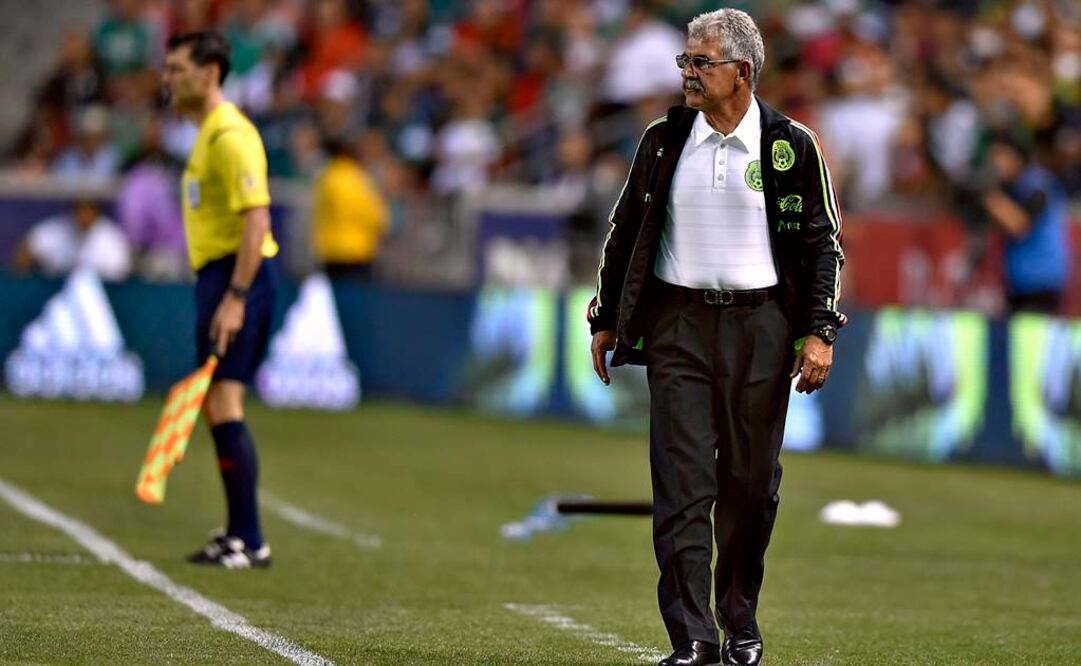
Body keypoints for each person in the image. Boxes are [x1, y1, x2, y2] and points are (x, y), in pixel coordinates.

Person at [587, 9, 845, 666]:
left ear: (742, 71)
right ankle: (693, 637)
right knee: (681, 485)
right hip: (678, 325)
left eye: (701, 62)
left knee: (750, 486)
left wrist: (818, 332)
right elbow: (625, 230)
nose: (688, 73)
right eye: (685, 60)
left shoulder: (792, 145)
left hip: (761, 328)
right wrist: (606, 316)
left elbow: (823, 245)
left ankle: (740, 619)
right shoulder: (662, 140)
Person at [162, 30, 278, 568]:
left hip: (237, 275)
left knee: (225, 401)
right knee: (215, 404)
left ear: (210, 73)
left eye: (178, 69)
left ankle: (250, 540)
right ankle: (239, 534)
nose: (168, 79)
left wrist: (236, 296)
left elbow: (257, 219)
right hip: (219, 275)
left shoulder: (231, 136)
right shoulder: (208, 134)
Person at [982, 133, 1071, 315]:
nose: (994, 163)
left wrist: (989, 196)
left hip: (1041, 281)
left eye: (999, 155)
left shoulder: (1037, 182)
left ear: (1016, 156)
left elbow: (1020, 225)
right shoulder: (1012, 186)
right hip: (1018, 281)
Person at [311, 140, 389, 281]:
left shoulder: (326, 178)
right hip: (357, 250)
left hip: (329, 250)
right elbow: (374, 215)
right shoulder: (357, 179)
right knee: (355, 291)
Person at [14, 199, 132, 281]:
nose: (83, 215)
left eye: (88, 209)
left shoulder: (112, 239)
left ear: (97, 211)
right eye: (79, 209)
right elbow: (26, 249)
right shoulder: (58, 228)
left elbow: (120, 277)